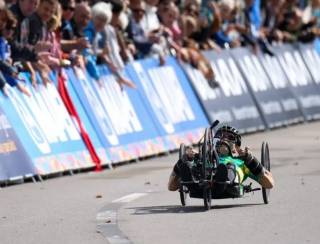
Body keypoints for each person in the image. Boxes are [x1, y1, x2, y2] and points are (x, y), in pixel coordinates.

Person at [168, 125, 274, 194]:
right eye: (221, 136)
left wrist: (251, 160)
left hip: (229, 182)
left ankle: (223, 178)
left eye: (230, 137)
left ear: (237, 146)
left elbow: (269, 184)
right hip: (201, 181)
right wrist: (184, 159)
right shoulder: (204, 158)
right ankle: (191, 182)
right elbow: (171, 186)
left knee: (229, 167)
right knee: (188, 165)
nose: (225, 139)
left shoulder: (243, 162)